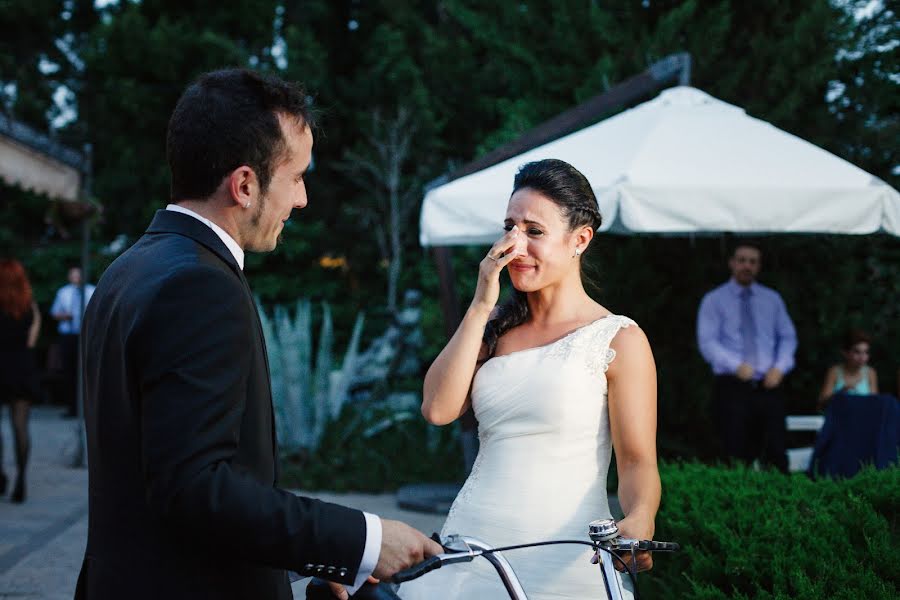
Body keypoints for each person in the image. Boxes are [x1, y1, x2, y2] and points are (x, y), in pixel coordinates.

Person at [75, 69, 440, 600]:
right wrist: (364, 541)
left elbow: (162, 483)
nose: (303, 199)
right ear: (245, 185)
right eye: (297, 177)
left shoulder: (127, 269)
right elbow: (196, 489)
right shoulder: (201, 286)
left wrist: (309, 563)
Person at [400, 159, 661, 600]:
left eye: (533, 231)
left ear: (580, 239)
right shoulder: (495, 328)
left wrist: (640, 520)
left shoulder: (619, 338)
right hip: (474, 546)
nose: (515, 245)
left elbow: (637, 461)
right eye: (510, 227)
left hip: (565, 558)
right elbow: (438, 409)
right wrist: (482, 305)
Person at [696, 244, 797, 473]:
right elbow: (708, 342)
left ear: (759, 266)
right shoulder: (714, 300)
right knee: (733, 452)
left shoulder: (772, 300)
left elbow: (788, 337)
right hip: (732, 386)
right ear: (732, 263)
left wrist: (780, 367)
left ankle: (779, 503)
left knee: (776, 452)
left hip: (769, 386)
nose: (747, 266)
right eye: (742, 260)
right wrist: (735, 365)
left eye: (753, 262)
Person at [0, 259, 42, 503]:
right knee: (20, 427)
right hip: (22, 368)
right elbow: (31, 341)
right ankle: (21, 480)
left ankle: (0, 476)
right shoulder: (30, 307)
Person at [49, 265, 94, 417]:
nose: (75, 278)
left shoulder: (91, 290)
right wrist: (64, 316)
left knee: (86, 372)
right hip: (68, 336)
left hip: (86, 335)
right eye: (72, 275)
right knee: (69, 372)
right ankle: (72, 408)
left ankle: (87, 408)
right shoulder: (63, 292)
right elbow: (54, 313)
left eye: (77, 275)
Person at [817, 329, 879, 411]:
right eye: (857, 352)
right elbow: (821, 405)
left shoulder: (870, 373)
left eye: (866, 352)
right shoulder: (834, 372)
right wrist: (840, 394)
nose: (862, 357)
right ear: (845, 353)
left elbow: (876, 405)